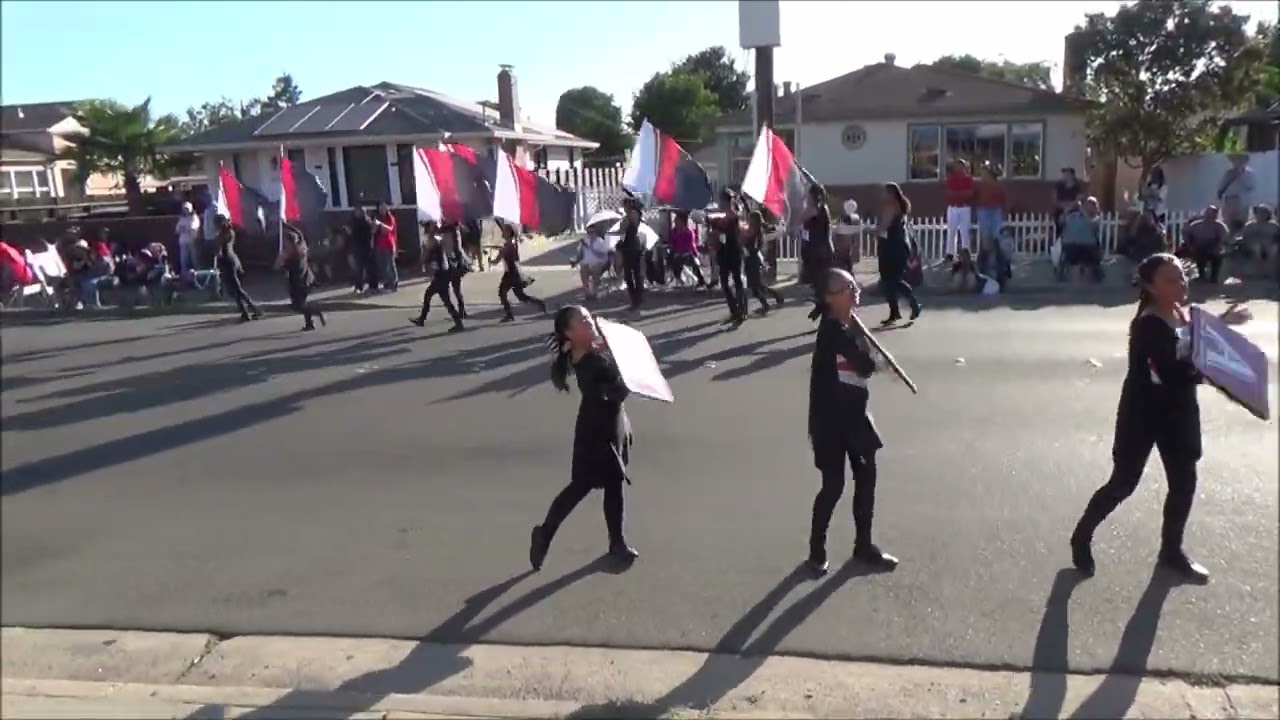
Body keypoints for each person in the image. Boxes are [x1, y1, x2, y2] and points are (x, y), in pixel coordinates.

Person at [1070, 253, 1251, 583]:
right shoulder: (1149, 324)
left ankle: (1171, 552)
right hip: (1143, 414)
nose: (1181, 285)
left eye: (1182, 277)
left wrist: (1221, 324)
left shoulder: (1180, 314)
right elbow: (1172, 368)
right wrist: (1212, 372)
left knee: (1184, 483)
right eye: (1171, 280)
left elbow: (1190, 340)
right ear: (1151, 287)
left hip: (1178, 414)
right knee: (1123, 483)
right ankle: (1082, 535)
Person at [529, 305, 639, 570]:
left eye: (589, 317)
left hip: (610, 423)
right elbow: (613, 392)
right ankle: (544, 533)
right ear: (570, 333)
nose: (590, 322)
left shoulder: (592, 350)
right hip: (596, 431)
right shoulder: (587, 361)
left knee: (614, 484)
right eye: (583, 321)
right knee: (581, 486)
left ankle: (617, 542)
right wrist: (627, 377)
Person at [806, 268, 898, 576]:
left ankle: (864, 545)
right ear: (832, 297)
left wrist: (863, 341)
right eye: (848, 287)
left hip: (856, 416)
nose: (855, 289)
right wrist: (872, 356)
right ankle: (816, 550)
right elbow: (865, 365)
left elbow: (864, 365)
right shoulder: (834, 330)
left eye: (854, 284)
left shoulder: (848, 324)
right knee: (833, 486)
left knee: (867, 477)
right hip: (830, 422)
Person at [876, 183, 922, 325]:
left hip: (892, 246)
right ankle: (894, 312)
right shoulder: (899, 206)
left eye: (885, 192)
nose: (882, 195)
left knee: (892, 279)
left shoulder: (891, 207)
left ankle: (914, 303)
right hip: (899, 245)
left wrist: (875, 232)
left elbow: (883, 227)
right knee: (889, 280)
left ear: (891, 193)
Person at [275, 223, 326, 331]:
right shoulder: (302, 245)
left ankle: (316, 310)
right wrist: (286, 225)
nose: (284, 244)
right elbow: (299, 233)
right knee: (301, 303)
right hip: (307, 279)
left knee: (298, 306)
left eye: (286, 242)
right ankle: (309, 324)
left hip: (299, 284)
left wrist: (280, 260)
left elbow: (277, 267)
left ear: (290, 243)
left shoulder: (293, 257)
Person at [410, 233, 464, 333]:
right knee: (444, 301)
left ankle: (422, 319)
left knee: (431, 297)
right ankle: (458, 322)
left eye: (429, 241)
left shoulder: (436, 252)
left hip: (440, 280)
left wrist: (429, 270)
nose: (428, 242)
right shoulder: (438, 250)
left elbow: (437, 266)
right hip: (442, 279)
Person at [707, 189, 746, 324]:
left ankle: (739, 312)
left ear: (725, 201)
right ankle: (736, 311)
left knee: (735, 282)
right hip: (725, 253)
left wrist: (711, 222)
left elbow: (723, 224)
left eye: (721, 200)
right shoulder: (726, 215)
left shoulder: (732, 216)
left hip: (732, 252)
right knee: (726, 283)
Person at [495, 222, 548, 322]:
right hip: (512, 274)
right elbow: (499, 258)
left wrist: (496, 256)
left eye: (505, 231)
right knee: (519, 296)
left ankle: (509, 314)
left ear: (509, 233)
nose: (502, 232)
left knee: (504, 293)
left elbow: (499, 258)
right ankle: (539, 303)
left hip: (512, 274)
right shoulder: (511, 245)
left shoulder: (509, 246)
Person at [214, 215, 261, 322]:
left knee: (237, 289)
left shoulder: (223, 235)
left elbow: (220, 251)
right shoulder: (230, 232)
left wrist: (217, 256)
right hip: (233, 261)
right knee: (235, 289)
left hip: (228, 263)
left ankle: (254, 308)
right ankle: (244, 312)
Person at [743, 209, 784, 314]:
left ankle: (767, 304)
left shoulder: (755, 232)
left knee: (756, 286)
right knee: (756, 286)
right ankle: (774, 297)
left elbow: (751, 246)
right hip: (751, 259)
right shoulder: (754, 231)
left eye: (750, 219)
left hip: (753, 260)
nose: (748, 220)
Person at [804, 184, 834, 321]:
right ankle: (821, 310)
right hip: (816, 250)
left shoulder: (818, 208)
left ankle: (825, 313)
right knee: (818, 285)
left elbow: (802, 218)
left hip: (821, 251)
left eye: (809, 195)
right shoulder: (818, 208)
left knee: (821, 285)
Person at [1178, 206, 1230, 284]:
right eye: (1207, 214)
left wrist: (1218, 247)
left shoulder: (1220, 226)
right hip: (1198, 247)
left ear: (1215, 216)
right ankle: (1200, 275)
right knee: (1195, 253)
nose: (1209, 217)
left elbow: (1224, 239)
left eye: (1212, 215)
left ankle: (1214, 277)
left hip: (1213, 247)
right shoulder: (1196, 225)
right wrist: (1189, 244)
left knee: (1217, 256)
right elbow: (1185, 232)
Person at [943, 159, 974, 260]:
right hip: (953, 207)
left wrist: (958, 194)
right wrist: (961, 194)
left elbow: (969, 194)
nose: (959, 168)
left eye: (961, 166)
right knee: (951, 230)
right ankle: (950, 253)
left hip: (965, 207)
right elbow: (949, 193)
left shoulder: (968, 179)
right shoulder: (951, 179)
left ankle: (966, 252)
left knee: (965, 231)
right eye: (957, 166)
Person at [617, 200, 646, 311]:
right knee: (628, 275)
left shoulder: (634, 216)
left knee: (637, 275)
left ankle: (637, 300)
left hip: (635, 247)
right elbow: (622, 233)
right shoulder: (625, 219)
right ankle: (634, 299)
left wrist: (626, 223)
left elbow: (633, 226)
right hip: (627, 247)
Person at [570, 226, 612, 300]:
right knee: (583, 268)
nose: (590, 234)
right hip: (587, 263)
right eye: (588, 232)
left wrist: (592, 249)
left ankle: (594, 292)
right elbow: (580, 255)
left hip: (599, 262)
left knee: (595, 267)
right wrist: (575, 261)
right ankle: (587, 292)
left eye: (592, 232)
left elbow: (605, 255)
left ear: (596, 233)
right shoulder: (585, 242)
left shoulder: (601, 242)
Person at [348, 207, 377, 294]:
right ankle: (362, 286)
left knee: (365, 268)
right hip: (361, 247)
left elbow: (369, 233)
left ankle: (367, 286)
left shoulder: (365, 222)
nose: (357, 213)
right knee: (361, 268)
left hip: (364, 247)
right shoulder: (358, 221)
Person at [372, 202, 398, 291]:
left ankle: (393, 283)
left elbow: (389, 229)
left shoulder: (390, 217)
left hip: (388, 244)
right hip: (379, 245)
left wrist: (380, 224)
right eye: (380, 208)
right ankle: (387, 283)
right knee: (382, 265)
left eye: (384, 207)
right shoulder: (377, 218)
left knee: (389, 264)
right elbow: (373, 231)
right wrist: (375, 224)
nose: (382, 209)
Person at [175, 201, 201, 276]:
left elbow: (192, 228)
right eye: (184, 209)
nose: (185, 210)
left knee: (194, 258)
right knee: (183, 259)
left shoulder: (194, 218)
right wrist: (183, 229)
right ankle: (184, 275)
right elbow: (177, 229)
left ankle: (197, 275)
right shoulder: (181, 218)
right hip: (183, 241)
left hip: (192, 241)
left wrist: (185, 229)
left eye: (187, 209)